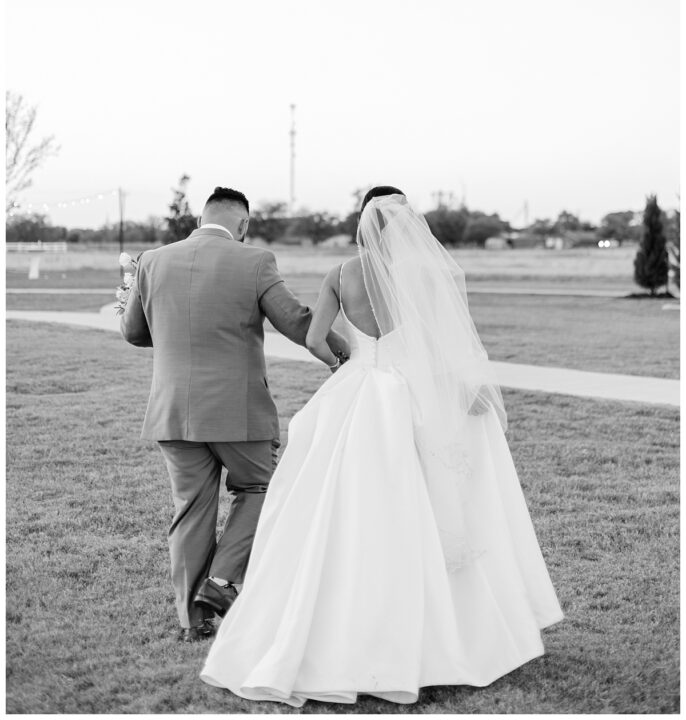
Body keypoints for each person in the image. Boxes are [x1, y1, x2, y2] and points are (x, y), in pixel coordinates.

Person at [201, 186, 564, 705]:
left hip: (359, 392)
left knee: (345, 507)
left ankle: (336, 619)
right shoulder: (421, 274)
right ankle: (440, 633)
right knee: (422, 505)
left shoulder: (341, 274)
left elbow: (313, 338)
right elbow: (441, 343)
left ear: (364, 222)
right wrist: (463, 390)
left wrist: (345, 364)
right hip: (412, 392)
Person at [120, 185, 349, 643]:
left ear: (201, 218)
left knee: (189, 511)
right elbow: (298, 322)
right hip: (237, 411)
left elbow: (133, 332)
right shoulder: (255, 261)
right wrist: (347, 355)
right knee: (262, 487)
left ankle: (192, 622)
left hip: (172, 411)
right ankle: (221, 582)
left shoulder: (152, 260)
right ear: (242, 224)